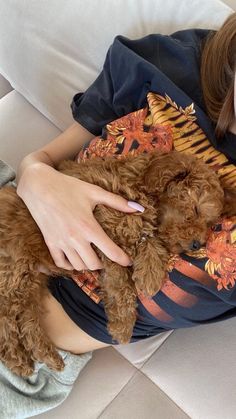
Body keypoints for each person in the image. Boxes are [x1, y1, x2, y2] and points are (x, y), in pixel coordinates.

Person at [1, 11, 236, 417]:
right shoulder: (178, 62)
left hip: (22, 346)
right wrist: (37, 177)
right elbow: (41, 161)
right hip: (17, 210)